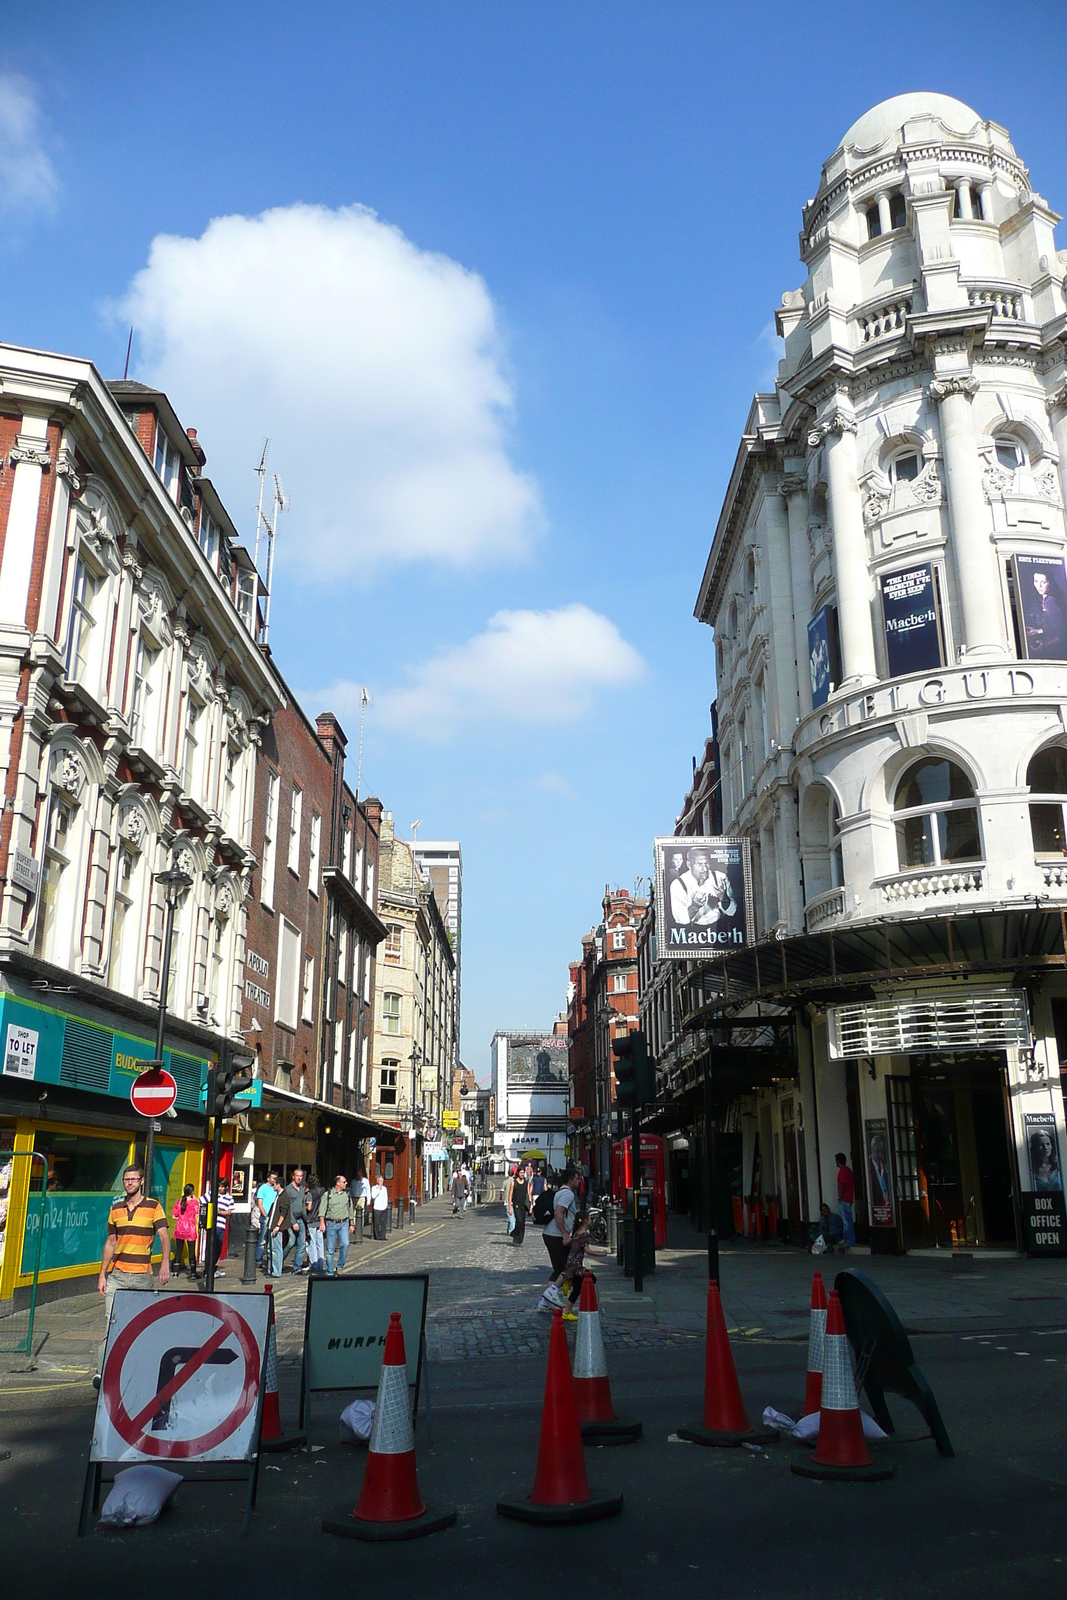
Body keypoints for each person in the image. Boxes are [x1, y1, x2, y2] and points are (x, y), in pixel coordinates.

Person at [95, 1163, 170, 1383]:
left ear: (141, 1181)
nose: (129, 1183)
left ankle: (143, 1371)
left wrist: (165, 1263)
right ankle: (103, 1374)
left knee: (143, 1326)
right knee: (111, 1324)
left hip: (142, 1278)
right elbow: (110, 1242)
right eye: (126, 1180)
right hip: (117, 1276)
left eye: (133, 1179)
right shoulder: (116, 1208)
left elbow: (165, 1237)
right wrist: (102, 1275)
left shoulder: (153, 1207)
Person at [539, 1165, 582, 1311]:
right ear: (570, 1180)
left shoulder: (561, 1192)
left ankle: (544, 1302)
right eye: (577, 1179)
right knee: (568, 1268)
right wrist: (565, 1234)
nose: (579, 1181)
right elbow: (558, 1212)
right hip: (556, 1236)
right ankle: (551, 1292)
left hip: (549, 1235)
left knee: (558, 1269)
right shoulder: (568, 1194)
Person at [669, 847, 736, 928]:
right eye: (700, 864)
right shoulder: (678, 884)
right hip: (692, 934)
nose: (704, 869)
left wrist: (723, 898)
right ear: (689, 865)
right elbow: (680, 919)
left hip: (719, 930)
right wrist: (694, 907)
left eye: (706, 863)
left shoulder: (720, 878)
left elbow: (732, 911)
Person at [322, 1174, 354, 1274]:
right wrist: (322, 1223)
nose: (346, 1183)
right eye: (344, 1182)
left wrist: (351, 1224)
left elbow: (350, 1209)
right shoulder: (327, 1195)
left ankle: (340, 1266)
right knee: (330, 1250)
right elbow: (322, 1210)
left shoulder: (347, 1195)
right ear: (338, 1183)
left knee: (345, 1243)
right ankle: (329, 1271)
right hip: (331, 1224)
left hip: (344, 1223)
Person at [171, 1183, 199, 1278]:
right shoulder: (194, 1202)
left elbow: (174, 1216)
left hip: (179, 1228)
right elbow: (197, 1215)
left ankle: (175, 1273)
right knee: (191, 1252)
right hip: (190, 1228)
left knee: (179, 1251)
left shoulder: (179, 1202)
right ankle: (193, 1273)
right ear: (191, 1192)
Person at [284, 1168, 309, 1273]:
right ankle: (277, 1262)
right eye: (297, 1176)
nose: (299, 1178)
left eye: (301, 1176)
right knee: (291, 1242)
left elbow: (303, 1206)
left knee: (302, 1244)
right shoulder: (288, 1189)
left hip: (301, 1219)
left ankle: (297, 1268)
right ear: (293, 1176)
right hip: (290, 1219)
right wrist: (293, 1222)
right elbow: (287, 1207)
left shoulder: (302, 1189)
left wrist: (306, 1220)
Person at [266, 1176, 290, 1278]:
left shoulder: (284, 1196)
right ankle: (271, 1270)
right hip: (272, 1226)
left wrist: (277, 1226)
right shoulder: (279, 1195)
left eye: (274, 1184)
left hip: (277, 1227)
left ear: (278, 1185)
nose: (273, 1186)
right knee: (270, 1250)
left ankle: (276, 1272)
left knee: (276, 1250)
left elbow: (283, 1213)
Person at [255, 1170, 279, 1268]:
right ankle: (258, 1259)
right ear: (268, 1178)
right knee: (262, 1239)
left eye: (276, 1179)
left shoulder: (276, 1188)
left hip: (274, 1216)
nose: (274, 1180)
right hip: (266, 1217)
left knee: (271, 1239)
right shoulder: (262, 1188)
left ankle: (270, 1259)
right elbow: (259, 1203)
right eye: (273, 1178)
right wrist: (265, 1215)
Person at [305, 1171, 326, 1272]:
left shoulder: (310, 1193)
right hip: (320, 1219)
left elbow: (309, 1207)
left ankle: (314, 1264)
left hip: (312, 1219)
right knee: (320, 1243)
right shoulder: (322, 1190)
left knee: (312, 1243)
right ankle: (321, 1264)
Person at [835, 1151, 856, 1249]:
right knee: (847, 1220)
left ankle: (849, 1240)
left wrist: (840, 1196)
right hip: (849, 1198)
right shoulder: (848, 1170)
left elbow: (842, 1184)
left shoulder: (842, 1171)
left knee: (846, 1221)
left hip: (845, 1198)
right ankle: (848, 1239)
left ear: (838, 1161)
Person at [510, 1163, 530, 1246]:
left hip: (524, 1205)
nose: (522, 1174)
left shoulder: (526, 1182)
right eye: (521, 1172)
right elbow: (510, 1194)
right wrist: (509, 1207)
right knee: (519, 1220)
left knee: (523, 1223)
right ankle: (514, 1234)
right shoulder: (513, 1183)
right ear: (518, 1173)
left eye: (523, 1172)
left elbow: (528, 1194)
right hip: (516, 1204)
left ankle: (519, 1240)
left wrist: (531, 1205)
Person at [370, 1171, 390, 1240]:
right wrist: (378, 1188)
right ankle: (377, 1236)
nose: (381, 1182)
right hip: (377, 1207)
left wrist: (386, 1205)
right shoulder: (374, 1188)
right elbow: (373, 1196)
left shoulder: (384, 1188)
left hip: (383, 1207)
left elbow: (386, 1197)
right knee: (377, 1223)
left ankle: (383, 1236)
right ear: (377, 1181)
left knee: (383, 1223)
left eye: (382, 1180)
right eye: (380, 1180)